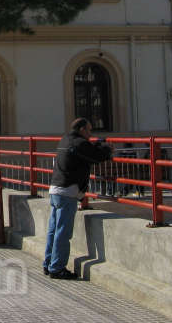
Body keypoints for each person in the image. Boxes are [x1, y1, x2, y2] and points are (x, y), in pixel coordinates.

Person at [43, 117, 112, 280]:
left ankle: (48, 263)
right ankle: (57, 267)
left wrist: (96, 146)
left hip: (55, 190)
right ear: (81, 130)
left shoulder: (65, 139)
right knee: (63, 232)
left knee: (53, 230)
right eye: (89, 130)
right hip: (67, 192)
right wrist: (107, 150)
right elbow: (96, 157)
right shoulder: (79, 143)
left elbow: (88, 151)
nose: (90, 133)